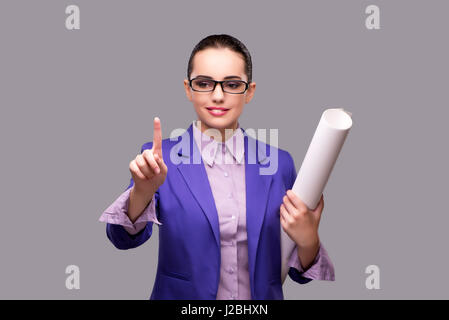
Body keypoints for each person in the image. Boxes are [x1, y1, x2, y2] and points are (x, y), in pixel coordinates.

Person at [99, 34, 335, 300]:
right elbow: (121, 239)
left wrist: (308, 240)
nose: (218, 95)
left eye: (232, 84)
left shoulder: (280, 163)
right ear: (188, 89)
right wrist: (140, 193)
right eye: (204, 83)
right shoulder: (158, 157)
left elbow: (297, 271)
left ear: (250, 91)